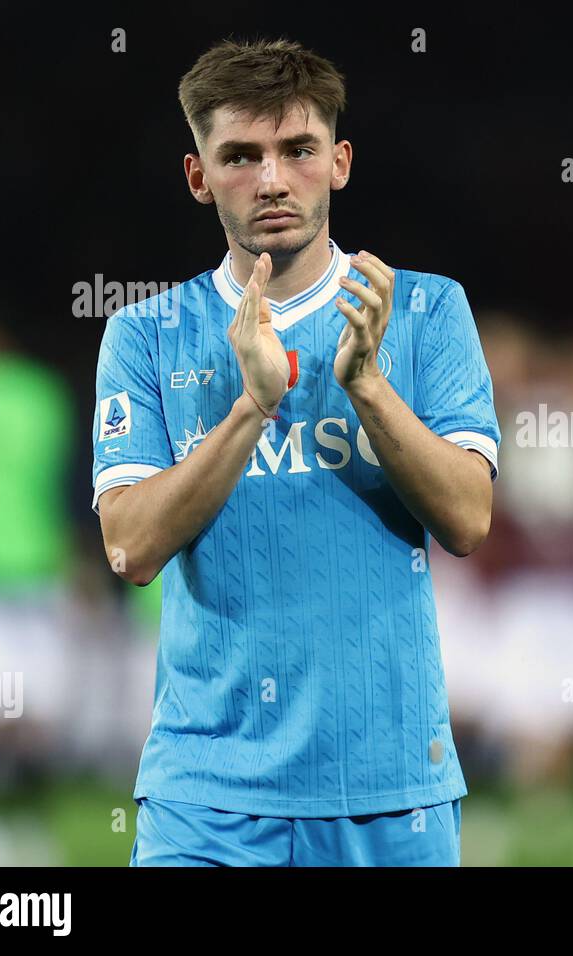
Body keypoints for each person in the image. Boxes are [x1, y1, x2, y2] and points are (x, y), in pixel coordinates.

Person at [93, 38, 500, 866]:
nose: (272, 180)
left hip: (391, 791)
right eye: (240, 156)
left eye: (297, 150)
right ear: (199, 176)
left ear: (339, 162)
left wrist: (369, 387)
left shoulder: (424, 311)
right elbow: (130, 545)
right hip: (206, 792)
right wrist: (253, 408)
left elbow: (466, 519)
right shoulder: (145, 333)